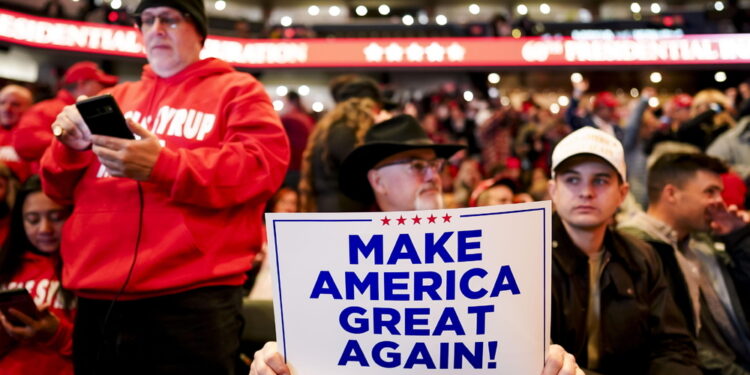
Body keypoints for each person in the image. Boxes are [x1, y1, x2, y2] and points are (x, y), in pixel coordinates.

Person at [41, 0, 290, 373]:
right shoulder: (113, 100)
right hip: (97, 295)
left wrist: (163, 164)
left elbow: (260, 167)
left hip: (191, 300)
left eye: (170, 19)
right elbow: (55, 188)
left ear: (199, 30)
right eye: (147, 19)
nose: (156, 28)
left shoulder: (239, 91)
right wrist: (69, 148)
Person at [249, 114, 585, 375]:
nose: (432, 176)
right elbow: (313, 336)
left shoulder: (489, 245)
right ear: (377, 180)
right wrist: (276, 359)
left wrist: (553, 360)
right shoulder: (328, 253)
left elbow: (512, 338)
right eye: (417, 166)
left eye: (435, 166)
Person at [547, 127, 700, 374]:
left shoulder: (643, 256)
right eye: (572, 179)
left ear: (622, 193)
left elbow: (674, 346)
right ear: (553, 191)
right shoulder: (527, 258)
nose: (586, 192)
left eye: (600, 180)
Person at [619, 153, 750, 374]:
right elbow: (671, 340)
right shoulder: (636, 248)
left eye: (720, 192)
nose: (720, 201)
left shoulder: (702, 242)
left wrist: (737, 238)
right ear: (671, 193)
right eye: (710, 192)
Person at [0, 175, 74, 375]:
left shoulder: (88, 269)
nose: (44, 229)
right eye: (33, 220)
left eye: (56, 217)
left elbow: (107, 349)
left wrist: (55, 333)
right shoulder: (7, 265)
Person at [298, 76, 390, 212]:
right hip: (346, 212)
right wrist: (386, 131)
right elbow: (361, 173)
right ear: (370, 106)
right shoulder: (347, 132)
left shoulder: (330, 129)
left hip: (330, 208)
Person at [13, 61, 118, 166]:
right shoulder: (45, 109)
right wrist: (76, 145)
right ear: (82, 84)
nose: (106, 90)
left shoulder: (88, 111)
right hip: (49, 179)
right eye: (102, 84)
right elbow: (24, 143)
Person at [0, 84, 34, 181]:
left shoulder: (34, 137)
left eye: (15, 104)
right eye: (2, 103)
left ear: (29, 108)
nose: (7, 109)